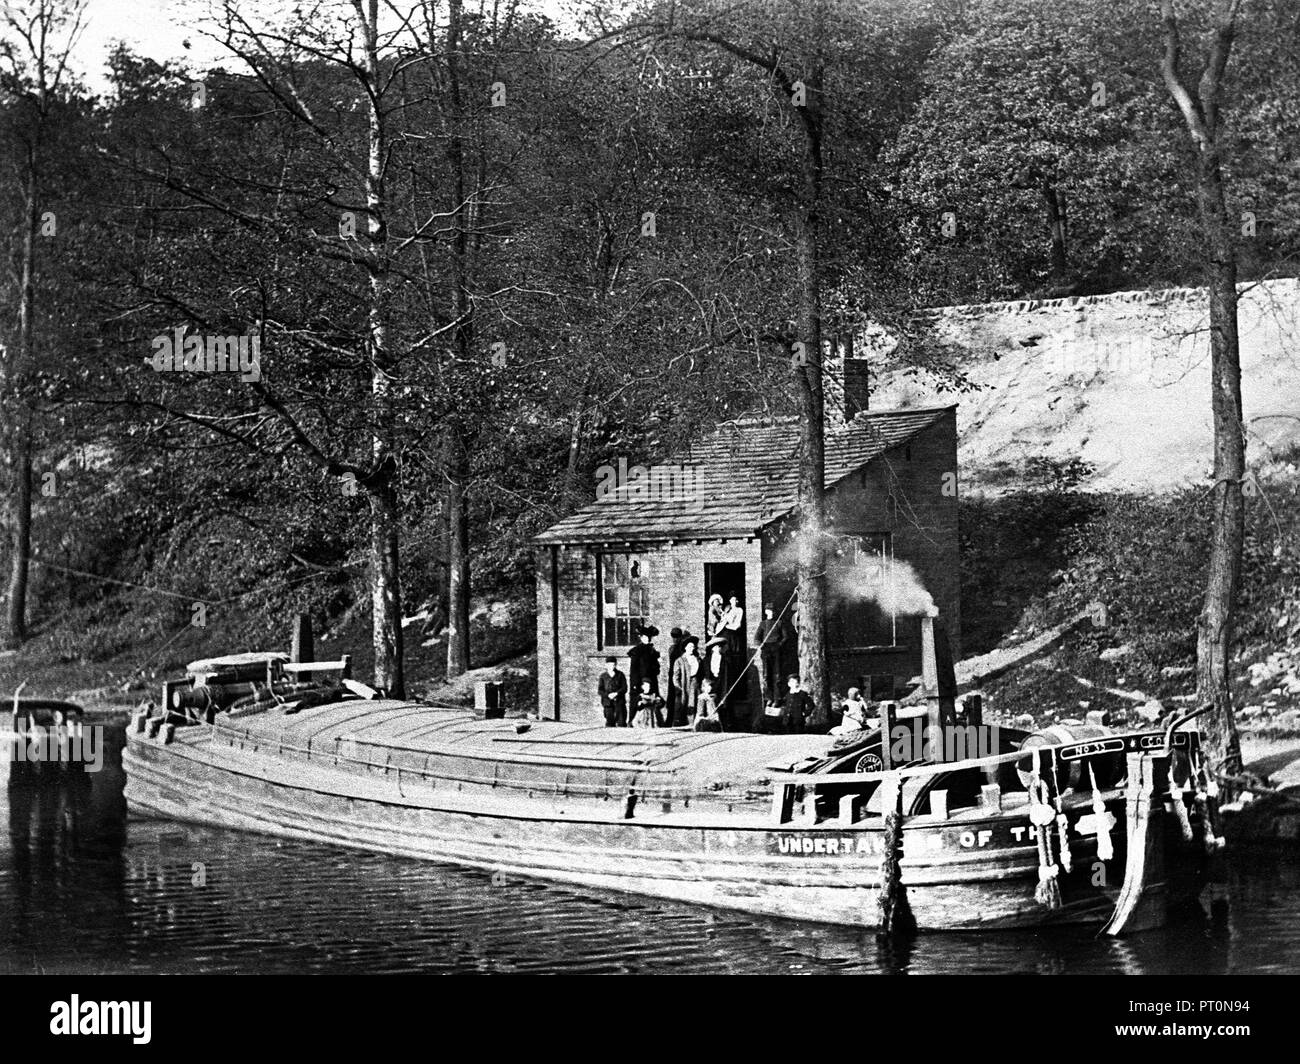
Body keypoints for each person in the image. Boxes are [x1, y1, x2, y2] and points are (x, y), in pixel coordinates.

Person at [754, 604, 787, 704]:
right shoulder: (763, 624)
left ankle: (777, 698)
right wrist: (761, 645)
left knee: (777, 675)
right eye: (769, 611)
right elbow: (756, 638)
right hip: (766, 650)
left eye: (772, 611)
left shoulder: (779, 623)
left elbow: (785, 637)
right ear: (765, 612)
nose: (771, 613)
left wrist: (779, 645)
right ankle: (769, 698)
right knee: (766, 675)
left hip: (776, 650)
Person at [627, 626, 660, 724]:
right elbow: (634, 670)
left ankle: (650, 723)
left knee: (650, 703)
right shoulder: (637, 651)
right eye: (645, 637)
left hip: (651, 681)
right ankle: (632, 723)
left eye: (649, 637)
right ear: (641, 637)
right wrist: (637, 684)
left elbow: (655, 668)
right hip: (640, 682)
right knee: (637, 703)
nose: (648, 639)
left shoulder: (652, 651)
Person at [669, 638, 701, 726]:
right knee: (682, 705)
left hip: (694, 684)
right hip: (684, 685)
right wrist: (679, 687)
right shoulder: (680, 660)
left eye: (693, 647)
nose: (692, 649)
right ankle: (680, 723)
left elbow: (701, 674)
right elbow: (675, 676)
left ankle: (692, 723)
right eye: (690, 647)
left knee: (693, 703)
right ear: (685, 648)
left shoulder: (697, 659)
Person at [598, 658, 627, 728]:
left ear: (615, 665)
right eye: (609, 665)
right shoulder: (603, 676)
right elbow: (600, 690)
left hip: (619, 702)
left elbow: (624, 688)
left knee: (621, 722)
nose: (611, 667)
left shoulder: (620, 675)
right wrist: (608, 695)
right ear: (606, 665)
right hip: (607, 702)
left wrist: (616, 693)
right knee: (609, 723)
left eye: (613, 665)